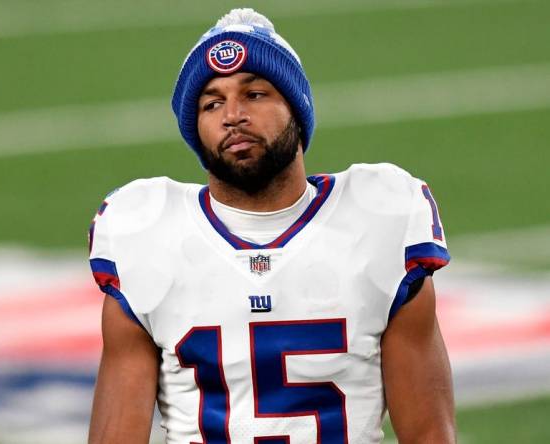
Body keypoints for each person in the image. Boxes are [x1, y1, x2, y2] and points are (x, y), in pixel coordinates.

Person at [87, 8, 455, 444]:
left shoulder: (379, 223)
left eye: (255, 94)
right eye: (212, 102)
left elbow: (429, 434)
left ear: (296, 109)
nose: (233, 115)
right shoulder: (146, 234)